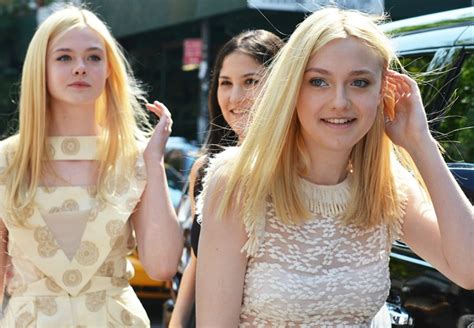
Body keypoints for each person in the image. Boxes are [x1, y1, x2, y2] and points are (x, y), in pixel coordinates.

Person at [195, 7, 474, 327]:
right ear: (292, 89)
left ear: (382, 91)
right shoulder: (239, 182)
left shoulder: (386, 185)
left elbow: (468, 269)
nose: (340, 101)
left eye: (359, 82)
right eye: (319, 81)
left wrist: (420, 143)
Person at [0, 6, 183, 327]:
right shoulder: (6, 160)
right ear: (39, 68)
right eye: (64, 57)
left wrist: (152, 163)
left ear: (110, 69)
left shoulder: (136, 157)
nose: (81, 68)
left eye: (94, 57)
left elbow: (163, 266)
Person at [169, 30, 283, 327]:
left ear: (282, 84)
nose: (234, 98)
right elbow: (198, 260)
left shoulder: (299, 170)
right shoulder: (206, 170)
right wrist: (177, 322)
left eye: (250, 82)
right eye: (225, 83)